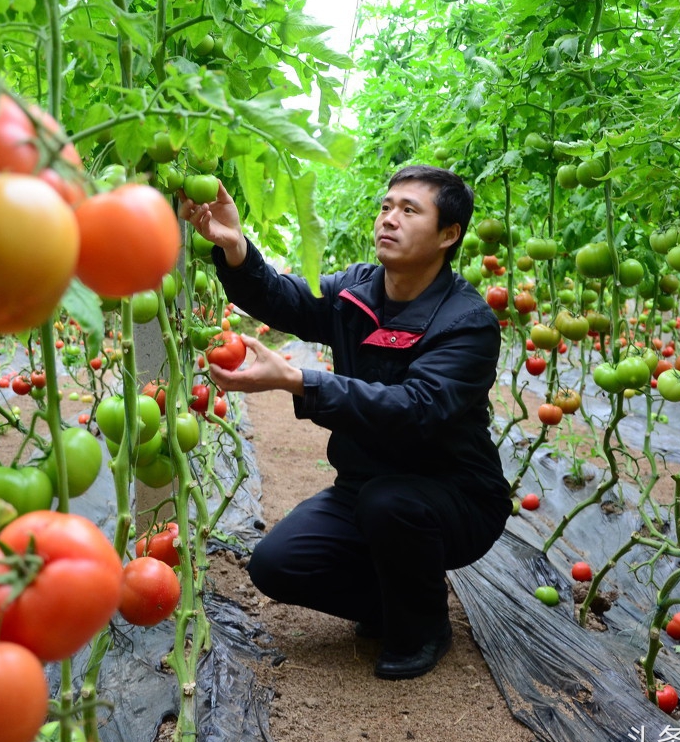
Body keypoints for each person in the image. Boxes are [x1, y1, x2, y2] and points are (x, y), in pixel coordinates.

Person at [180, 165, 510, 680]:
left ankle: (424, 627)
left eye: (409, 210)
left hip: (456, 496)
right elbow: (286, 299)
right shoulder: (358, 289)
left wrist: (299, 381)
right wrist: (235, 247)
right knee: (275, 565)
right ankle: (395, 602)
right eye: (386, 206)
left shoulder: (467, 322)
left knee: (391, 504)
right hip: (364, 486)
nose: (389, 219)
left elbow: (416, 409)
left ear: (449, 235)